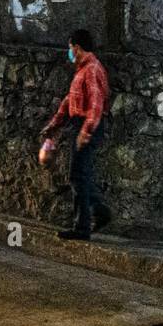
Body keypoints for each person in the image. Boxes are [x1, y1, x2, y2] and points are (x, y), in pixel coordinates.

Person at [41, 28, 111, 240]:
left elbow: (96, 105)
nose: (69, 53)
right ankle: (99, 213)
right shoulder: (83, 70)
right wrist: (54, 124)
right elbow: (69, 101)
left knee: (77, 176)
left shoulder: (91, 70)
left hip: (87, 125)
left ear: (77, 48)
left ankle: (83, 226)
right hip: (80, 124)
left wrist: (86, 132)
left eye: (70, 49)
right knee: (80, 176)